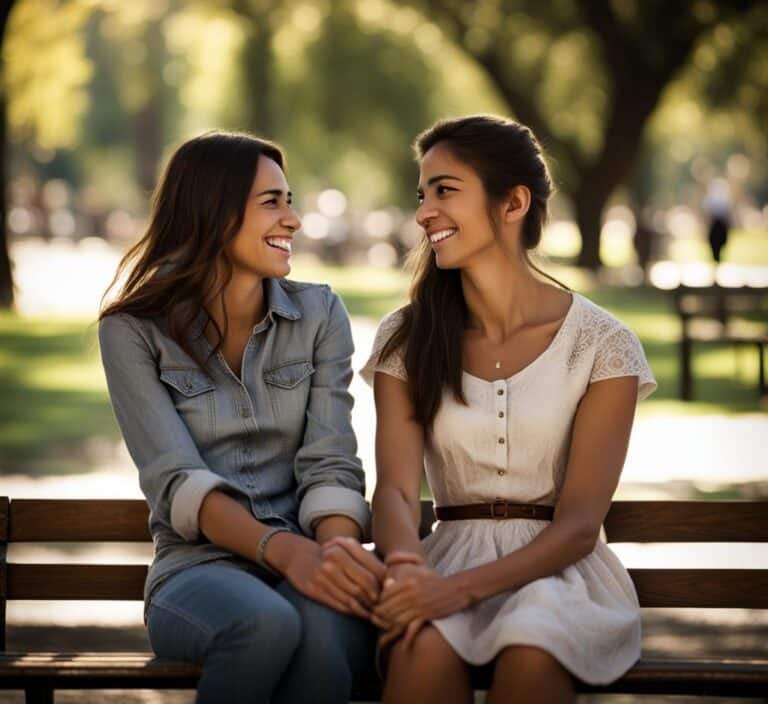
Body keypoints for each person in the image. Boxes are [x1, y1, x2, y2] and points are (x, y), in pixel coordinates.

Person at [361, 115, 657, 704]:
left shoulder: (603, 344)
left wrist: (458, 592)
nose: (423, 213)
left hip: (560, 577)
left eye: (445, 191)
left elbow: (578, 527)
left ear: (513, 202)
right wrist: (408, 572)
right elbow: (394, 491)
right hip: (441, 562)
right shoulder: (406, 336)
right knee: (420, 648)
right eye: (422, 195)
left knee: (533, 645)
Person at [98, 130, 382, 704]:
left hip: (309, 553)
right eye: (272, 202)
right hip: (195, 571)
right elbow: (176, 479)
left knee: (323, 642)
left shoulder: (320, 313)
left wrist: (332, 553)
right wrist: (285, 553)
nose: (294, 220)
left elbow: (331, 462)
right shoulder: (130, 330)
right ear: (213, 212)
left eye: (290, 199)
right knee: (265, 623)